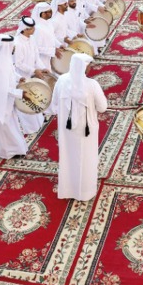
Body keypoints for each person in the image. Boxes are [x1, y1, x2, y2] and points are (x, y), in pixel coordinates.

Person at [55, 53, 107, 200]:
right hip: (86, 129)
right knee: (86, 158)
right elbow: (102, 107)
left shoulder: (62, 80)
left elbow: (54, 104)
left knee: (68, 156)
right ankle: (85, 192)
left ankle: (68, 190)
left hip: (66, 128)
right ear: (84, 67)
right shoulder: (92, 85)